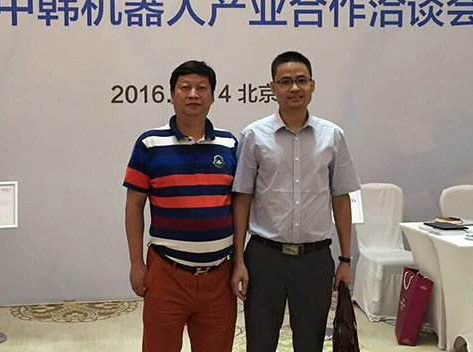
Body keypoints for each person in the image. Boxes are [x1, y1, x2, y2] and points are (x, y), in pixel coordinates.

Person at [230, 51, 360, 351]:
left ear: (312, 85)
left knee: (310, 343)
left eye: (301, 80)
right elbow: (242, 199)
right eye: (285, 81)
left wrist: (345, 259)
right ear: (272, 87)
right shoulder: (253, 135)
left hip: (314, 259)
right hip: (264, 258)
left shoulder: (332, 136)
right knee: (260, 342)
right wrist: (239, 260)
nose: (294, 88)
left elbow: (341, 198)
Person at [123, 60, 238, 352]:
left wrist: (239, 262)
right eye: (185, 87)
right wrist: (136, 264)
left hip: (219, 277)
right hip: (166, 274)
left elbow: (239, 207)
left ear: (213, 96)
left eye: (202, 88)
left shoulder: (229, 144)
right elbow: (134, 207)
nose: (193, 94)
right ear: (172, 95)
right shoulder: (149, 143)